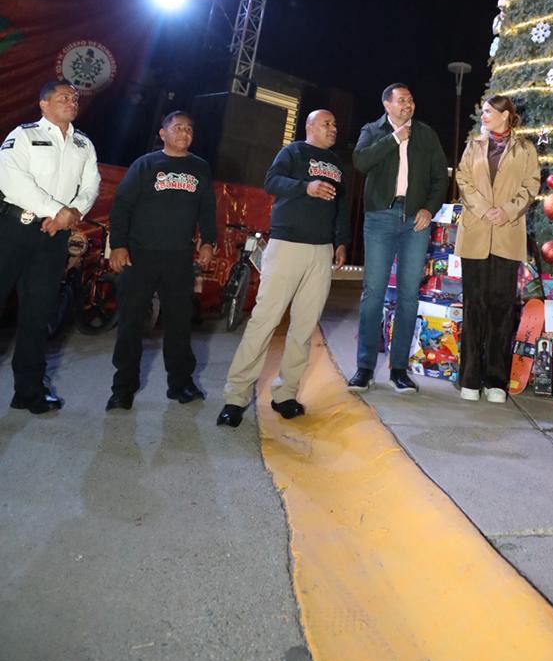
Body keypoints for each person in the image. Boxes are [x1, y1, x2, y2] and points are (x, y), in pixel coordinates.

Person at [217, 110, 349, 427]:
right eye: (327, 123)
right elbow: (271, 181)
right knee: (264, 321)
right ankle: (235, 398)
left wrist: (341, 241)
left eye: (335, 123)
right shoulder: (293, 152)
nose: (333, 128)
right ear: (310, 126)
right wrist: (306, 186)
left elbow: (341, 205)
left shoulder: (338, 165)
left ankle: (285, 394)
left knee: (304, 327)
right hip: (287, 245)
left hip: (321, 251)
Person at [0, 80, 100, 414]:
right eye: (63, 97)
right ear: (44, 104)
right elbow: (10, 178)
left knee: (37, 315)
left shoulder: (84, 144)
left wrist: (71, 214)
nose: (72, 102)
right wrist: (54, 210)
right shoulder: (24, 134)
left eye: (74, 98)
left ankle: (28, 391)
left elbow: (91, 185)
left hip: (53, 238)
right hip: (15, 228)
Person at [105, 111, 216, 410]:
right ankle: (122, 388)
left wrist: (208, 241)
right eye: (178, 127)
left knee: (179, 323)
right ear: (163, 133)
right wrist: (118, 246)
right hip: (139, 256)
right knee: (130, 323)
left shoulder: (200, 168)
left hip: (179, 258)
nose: (184, 132)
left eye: (189, 129)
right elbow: (122, 206)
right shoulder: (145, 164)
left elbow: (207, 210)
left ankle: (180, 383)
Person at [348, 83, 447, 393]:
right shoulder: (373, 130)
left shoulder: (426, 134)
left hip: (415, 221)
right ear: (387, 105)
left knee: (408, 295)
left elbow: (440, 176)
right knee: (374, 292)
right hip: (380, 218)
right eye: (401, 100)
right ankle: (364, 368)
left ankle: (399, 369)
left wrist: (429, 210)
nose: (408, 105)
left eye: (411, 100)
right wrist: (393, 139)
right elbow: (360, 162)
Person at [454, 95, 540, 403]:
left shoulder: (525, 149)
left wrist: (508, 210)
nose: (484, 115)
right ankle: (469, 378)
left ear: (505, 115)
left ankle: (496, 382)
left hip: (507, 233)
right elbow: (463, 180)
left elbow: (531, 186)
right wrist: (482, 207)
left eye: (489, 111)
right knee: (474, 305)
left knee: (502, 308)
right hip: (475, 232)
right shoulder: (474, 146)